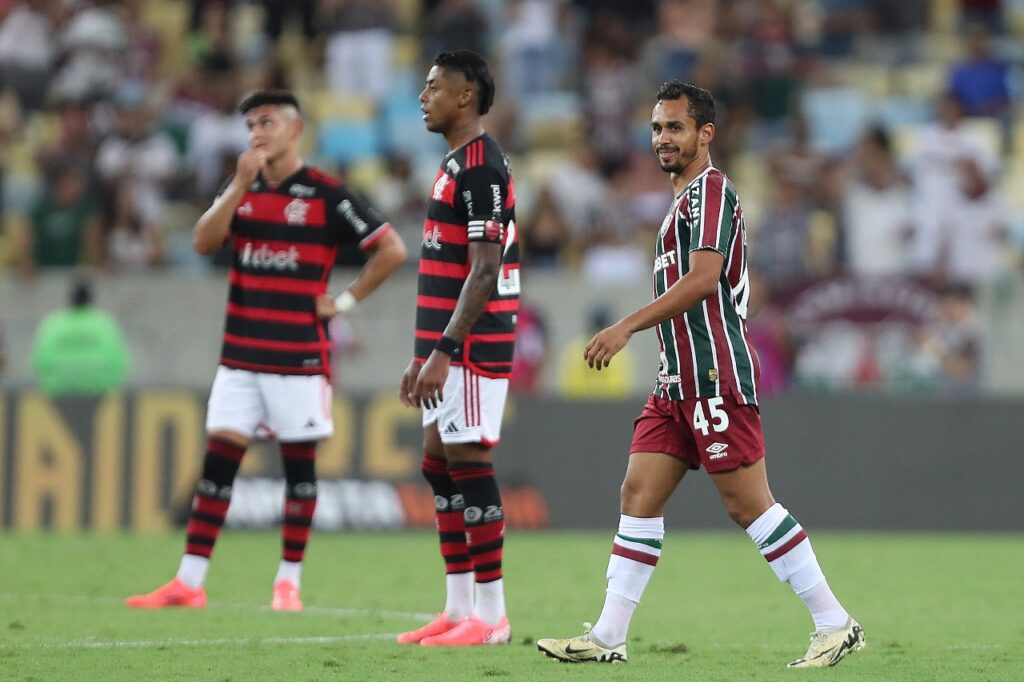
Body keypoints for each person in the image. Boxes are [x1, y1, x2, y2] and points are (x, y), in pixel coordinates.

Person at [536, 82, 864, 668]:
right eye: (658, 128)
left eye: (675, 128)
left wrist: (625, 328)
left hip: (712, 371)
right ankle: (609, 635)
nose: (663, 138)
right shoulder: (679, 201)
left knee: (747, 505)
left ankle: (835, 622)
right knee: (637, 494)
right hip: (675, 381)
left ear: (704, 133)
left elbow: (703, 281)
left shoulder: (711, 194)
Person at [126, 90, 406, 611]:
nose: (257, 132)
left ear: (295, 130)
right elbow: (203, 242)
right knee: (217, 467)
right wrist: (236, 184)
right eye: (252, 123)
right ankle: (189, 581)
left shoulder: (325, 194)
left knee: (299, 473)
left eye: (268, 122)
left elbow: (390, 249)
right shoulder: (241, 191)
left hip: (298, 359)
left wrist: (343, 302)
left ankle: (288, 582)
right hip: (240, 356)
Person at [396, 50, 520, 647]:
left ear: (465, 96)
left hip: (473, 346)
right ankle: (456, 607)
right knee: (437, 462)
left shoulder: (482, 167)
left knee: (469, 463)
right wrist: (424, 352)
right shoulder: (454, 164)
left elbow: (486, 268)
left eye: (433, 87)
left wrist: (445, 349)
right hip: (445, 347)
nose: (424, 97)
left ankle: (492, 617)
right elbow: (446, 269)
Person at [31, 279, 130, 397]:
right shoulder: (104, 323)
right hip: (98, 392)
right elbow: (119, 362)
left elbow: (39, 363)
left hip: (59, 392)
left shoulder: (53, 323)